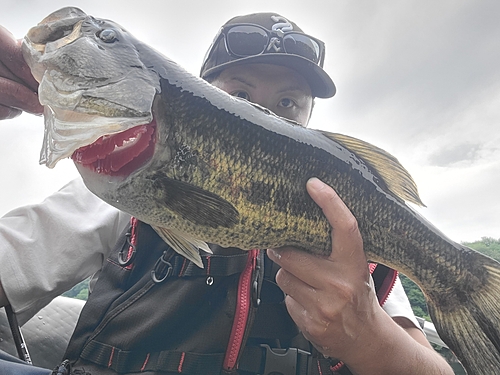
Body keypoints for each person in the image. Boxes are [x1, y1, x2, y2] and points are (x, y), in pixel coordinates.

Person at [0, 13, 453, 375]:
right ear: (197, 93)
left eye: (288, 103)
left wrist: (370, 337)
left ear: (310, 119)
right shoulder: (115, 191)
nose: (261, 112)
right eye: (239, 93)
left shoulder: (347, 226)